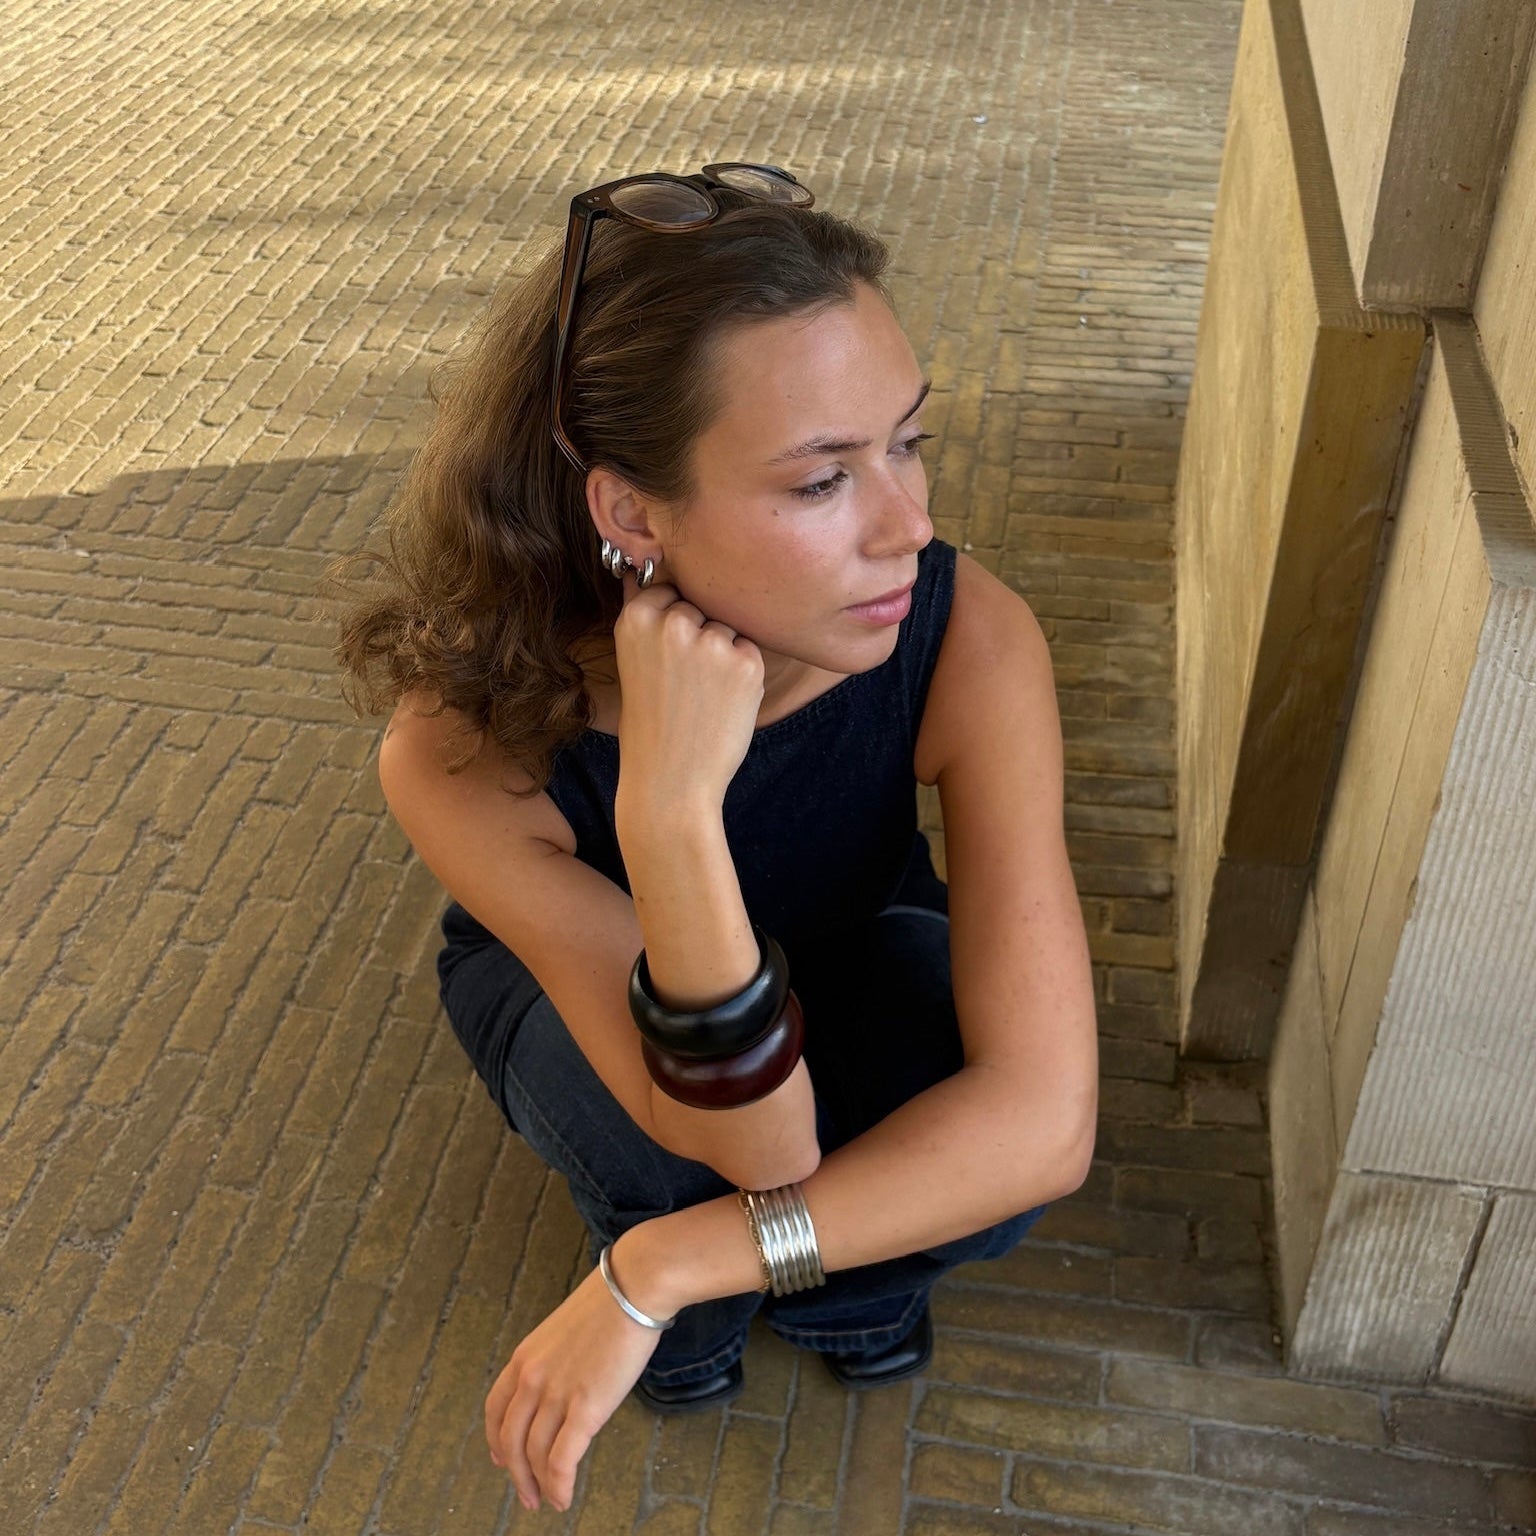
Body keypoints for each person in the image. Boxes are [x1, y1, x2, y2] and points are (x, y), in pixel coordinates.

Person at [328, 162, 1098, 1516]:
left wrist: (667, 1268)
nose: (909, 526)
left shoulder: (971, 635)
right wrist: (672, 818)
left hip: (847, 935)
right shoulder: (463, 746)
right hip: (591, 1001)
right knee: (675, 1153)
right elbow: (762, 1152)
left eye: (907, 443)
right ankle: (689, 1295)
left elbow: (1043, 1126)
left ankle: (715, 1288)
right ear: (630, 514)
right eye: (820, 482)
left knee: (951, 1154)